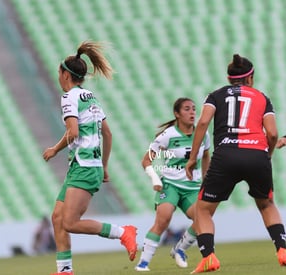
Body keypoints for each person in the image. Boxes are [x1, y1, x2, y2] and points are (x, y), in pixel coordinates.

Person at [42, 40, 137, 275]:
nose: (58, 76)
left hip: (83, 167)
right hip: (86, 166)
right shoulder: (90, 97)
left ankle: (122, 232)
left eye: (58, 72)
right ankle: (65, 270)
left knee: (70, 223)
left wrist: (54, 149)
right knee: (57, 217)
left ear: (65, 74)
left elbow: (73, 132)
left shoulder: (69, 98)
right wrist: (104, 167)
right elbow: (107, 133)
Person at [186, 54, 286, 273]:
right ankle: (282, 249)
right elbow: (272, 133)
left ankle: (209, 256)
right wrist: (267, 155)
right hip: (257, 156)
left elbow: (203, 121)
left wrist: (193, 158)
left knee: (202, 209)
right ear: (250, 78)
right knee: (267, 203)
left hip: (226, 155)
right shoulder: (262, 97)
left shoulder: (215, 95)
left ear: (229, 78)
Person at [135, 98, 210, 272]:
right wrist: (155, 178)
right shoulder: (168, 135)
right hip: (170, 184)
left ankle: (179, 249)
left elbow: (206, 156)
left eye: (193, 109)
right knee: (163, 219)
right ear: (177, 114)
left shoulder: (203, 134)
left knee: (203, 221)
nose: (192, 112)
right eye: (186, 109)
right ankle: (143, 263)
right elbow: (146, 161)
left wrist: (206, 180)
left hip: (192, 186)